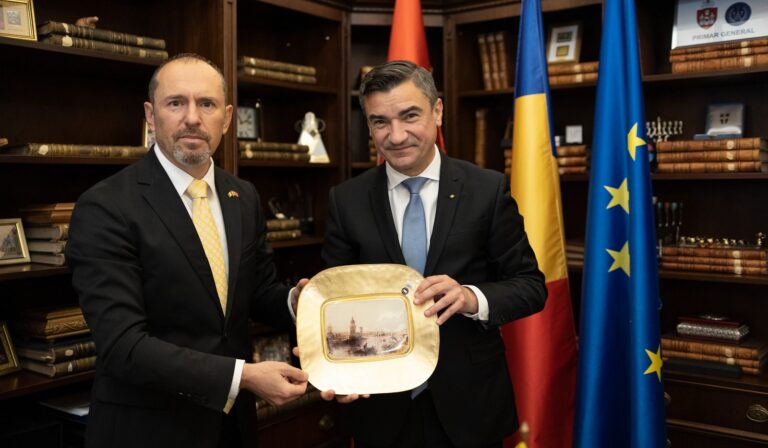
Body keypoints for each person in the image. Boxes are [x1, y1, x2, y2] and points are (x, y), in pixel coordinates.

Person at [66, 53, 308, 448]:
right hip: (147, 430)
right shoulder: (106, 206)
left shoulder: (242, 196)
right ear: (151, 115)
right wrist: (243, 377)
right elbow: (124, 346)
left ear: (226, 119)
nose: (192, 118)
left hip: (232, 427)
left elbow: (256, 292)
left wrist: (298, 302)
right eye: (176, 102)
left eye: (207, 104)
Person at [321, 60, 547, 448]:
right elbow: (336, 301)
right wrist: (337, 373)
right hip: (381, 407)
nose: (396, 136)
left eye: (410, 116)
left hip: (469, 404)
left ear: (437, 111)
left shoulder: (487, 190)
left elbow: (530, 286)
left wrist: (471, 297)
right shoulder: (346, 200)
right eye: (380, 122)